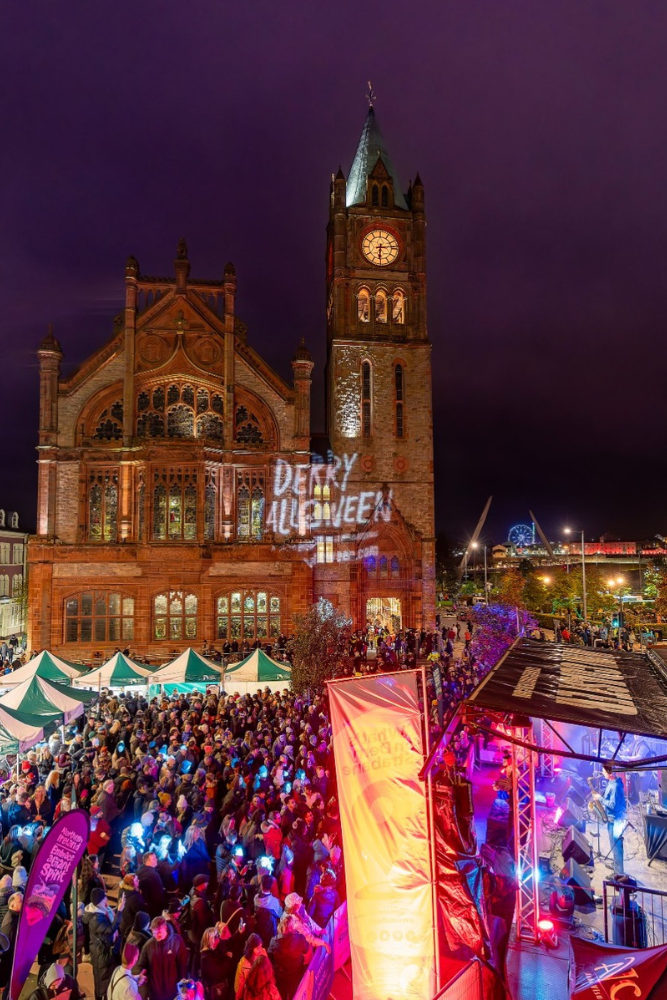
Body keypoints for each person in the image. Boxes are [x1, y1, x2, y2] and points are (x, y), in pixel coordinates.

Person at [83, 886, 123, 1000]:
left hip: (104, 951)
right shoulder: (95, 918)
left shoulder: (101, 911)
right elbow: (110, 929)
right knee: (102, 983)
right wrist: (120, 911)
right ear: (99, 902)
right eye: (104, 898)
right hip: (101, 953)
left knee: (105, 981)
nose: (106, 900)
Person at [136, 915, 188, 1000]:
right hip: (155, 993)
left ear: (165, 928)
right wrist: (141, 974)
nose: (156, 936)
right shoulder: (148, 945)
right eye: (154, 933)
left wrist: (182, 987)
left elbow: (183, 966)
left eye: (159, 932)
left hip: (173, 992)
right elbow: (141, 966)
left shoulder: (177, 941)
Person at [602, 765, 627, 875]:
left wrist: (600, 799)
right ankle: (616, 865)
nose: (602, 773)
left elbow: (613, 805)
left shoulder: (615, 786)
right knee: (613, 845)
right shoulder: (612, 782)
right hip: (612, 819)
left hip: (616, 821)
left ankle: (619, 874)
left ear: (610, 772)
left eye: (604, 771)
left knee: (617, 848)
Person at [199, 925, 236, 1000]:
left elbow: (229, 941)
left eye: (218, 935)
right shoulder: (206, 957)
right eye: (215, 937)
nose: (218, 938)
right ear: (209, 940)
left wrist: (239, 932)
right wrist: (228, 958)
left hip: (223, 986)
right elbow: (219, 972)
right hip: (216, 991)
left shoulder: (217, 946)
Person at [234, 934, 265, 1000]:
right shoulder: (243, 962)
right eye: (258, 948)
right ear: (251, 948)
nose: (260, 950)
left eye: (261, 947)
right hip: (249, 995)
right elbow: (238, 983)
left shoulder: (263, 956)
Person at [137, 851, 167, 918]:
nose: (156, 859)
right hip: (152, 907)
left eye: (155, 858)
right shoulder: (153, 875)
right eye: (153, 859)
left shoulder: (140, 869)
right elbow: (158, 894)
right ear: (147, 861)